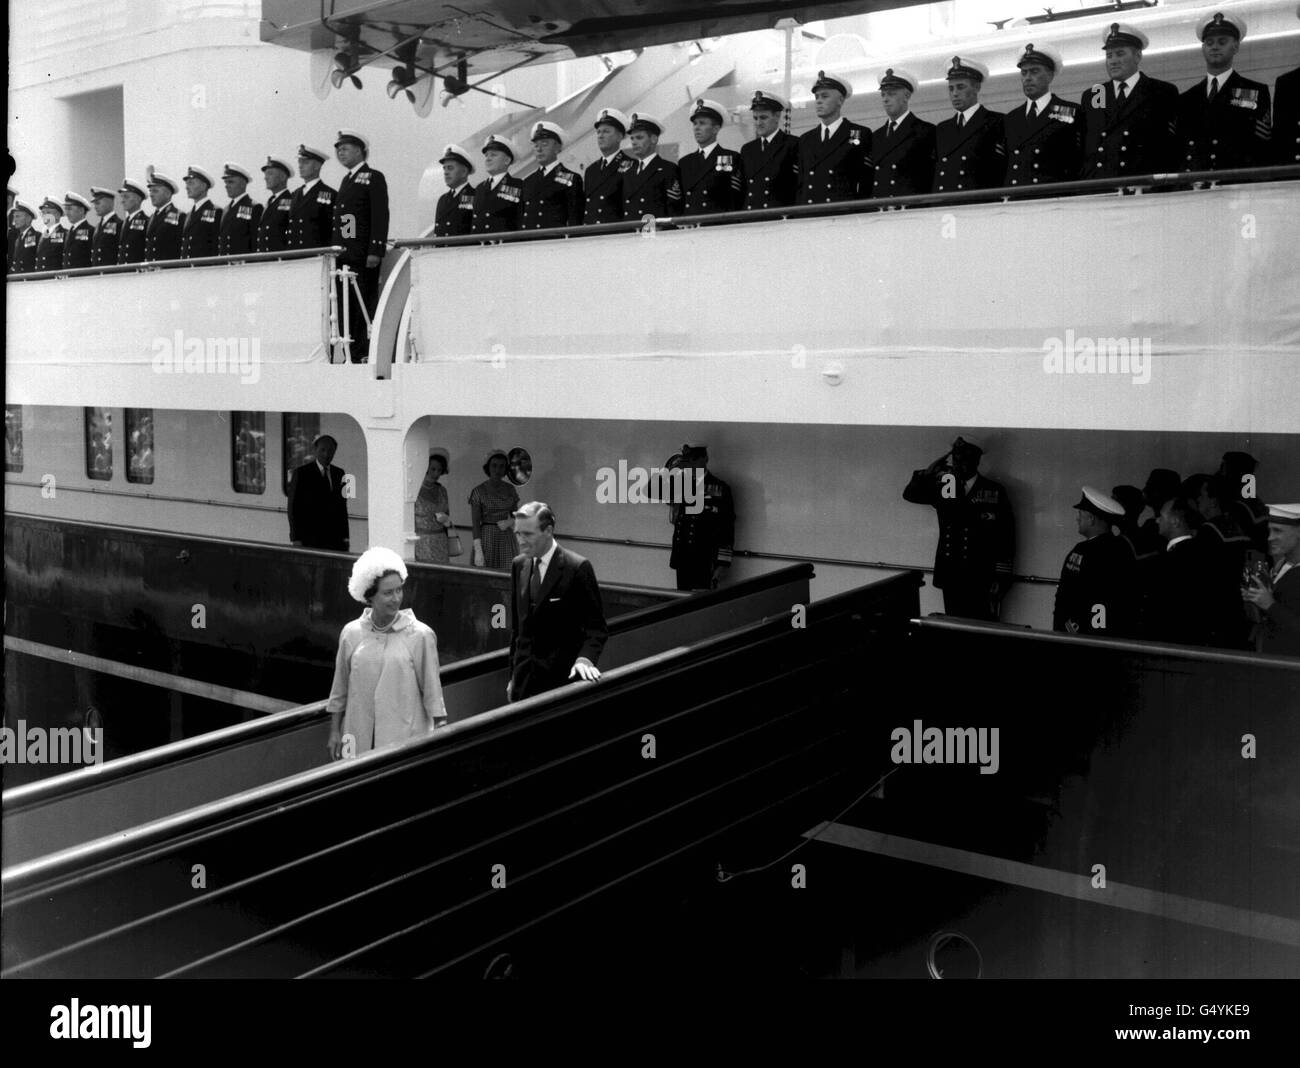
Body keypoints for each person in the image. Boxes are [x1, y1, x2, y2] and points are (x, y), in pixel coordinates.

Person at [327, 547, 446, 759]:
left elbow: (433, 693)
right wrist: (335, 731)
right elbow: (340, 688)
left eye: (399, 590)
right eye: (388, 593)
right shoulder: (351, 633)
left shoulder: (420, 635)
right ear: (370, 596)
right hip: (355, 737)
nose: (396, 598)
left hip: (404, 739)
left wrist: (439, 734)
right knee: (352, 787)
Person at [903, 436, 1015, 620]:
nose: (957, 464)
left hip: (981, 574)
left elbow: (1006, 536)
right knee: (954, 627)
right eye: (955, 459)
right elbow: (910, 494)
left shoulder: (993, 490)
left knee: (981, 628)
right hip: (952, 573)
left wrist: (1001, 577)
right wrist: (928, 473)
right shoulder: (948, 486)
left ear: (976, 460)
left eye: (963, 458)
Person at [507, 502, 608, 702]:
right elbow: (518, 630)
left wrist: (585, 660)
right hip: (522, 686)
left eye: (527, 534)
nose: (521, 541)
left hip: (560, 685)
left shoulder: (577, 568)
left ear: (548, 531)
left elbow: (596, 629)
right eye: (518, 534)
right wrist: (513, 678)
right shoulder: (518, 565)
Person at [1079, 23, 1179, 181]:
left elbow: (1171, 146)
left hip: (1143, 187)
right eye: (1109, 55)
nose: (1113, 61)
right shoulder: (1094, 94)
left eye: (1120, 54)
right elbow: (1087, 146)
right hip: (1100, 186)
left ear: (1138, 56)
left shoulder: (1161, 91)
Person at [1176, 13, 1271, 174]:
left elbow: (1262, 147)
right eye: (1209, 42)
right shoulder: (1186, 99)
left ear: (1235, 47)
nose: (1214, 47)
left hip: (1238, 187)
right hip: (1196, 189)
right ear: (1203, 49)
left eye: (1222, 42)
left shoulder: (1255, 92)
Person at [1148, 495, 1239, 647]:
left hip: (1173, 644)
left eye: (1161, 516)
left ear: (1175, 521)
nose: (1157, 520)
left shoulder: (1167, 561)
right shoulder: (1206, 553)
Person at [332, 130, 390, 361]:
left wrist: (375, 250)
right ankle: (349, 352)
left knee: (362, 304)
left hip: (363, 255)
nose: (340, 153)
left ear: (359, 150)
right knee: (346, 306)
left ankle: (363, 352)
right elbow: (348, 220)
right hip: (347, 255)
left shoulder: (373, 177)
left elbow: (379, 214)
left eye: (345, 148)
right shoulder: (347, 180)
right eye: (338, 149)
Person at [1053, 487, 1134, 637]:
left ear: (1091, 519)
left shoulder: (1110, 551)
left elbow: (1103, 600)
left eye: (1080, 514)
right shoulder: (1092, 548)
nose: (1077, 518)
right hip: (1073, 633)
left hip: (1087, 637)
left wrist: (1094, 636)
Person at [1004, 43, 1080, 187]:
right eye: (1024, 72)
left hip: (1052, 197)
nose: (1027, 78)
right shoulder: (1011, 118)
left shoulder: (1069, 111)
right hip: (1016, 198)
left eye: (1034, 71)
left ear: (1050, 76)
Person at [797, 71, 872, 204]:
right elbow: (801, 185)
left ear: (840, 100)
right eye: (817, 97)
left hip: (842, 214)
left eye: (825, 96)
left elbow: (866, 180)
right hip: (809, 214)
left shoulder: (858, 133)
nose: (819, 101)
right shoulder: (805, 139)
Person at [933, 57, 1005, 193]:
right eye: (951, 88)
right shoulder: (942, 129)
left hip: (979, 204)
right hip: (945, 205)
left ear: (976, 87)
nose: (954, 94)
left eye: (960, 87)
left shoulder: (997, 122)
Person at [668, 444, 735, 591]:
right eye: (687, 461)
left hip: (705, 559)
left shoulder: (720, 488)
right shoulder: (681, 485)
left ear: (705, 459)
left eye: (693, 460)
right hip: (683, 558)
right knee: (682, 603)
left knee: (701, 605)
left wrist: (722, 564)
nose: (690, 465)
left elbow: (727, 528)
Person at [1243, 503, 1300, 655]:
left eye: (1277, 531)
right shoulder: (1282, 566)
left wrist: (1270, 605)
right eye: (1269, 531)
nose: (1270, 538)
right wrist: (1255, 599)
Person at [870, 68, 936, 197]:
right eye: (883, 94)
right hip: (879, 210)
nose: (885, 99)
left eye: (891, 94)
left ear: (906, 96)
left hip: (910, 210)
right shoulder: (876, 136)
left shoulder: (925, 131)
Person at [679, 98, 744, 215]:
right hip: (691, 227)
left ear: (716, 128)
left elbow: (736, 198)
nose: (696, 128)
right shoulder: (685, 162)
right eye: (695, 124)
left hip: (718, 226)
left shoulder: (730, 157)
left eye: (702, 123)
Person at [287, 433, 350, 551]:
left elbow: (342, 508)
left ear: (335, 452)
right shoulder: (301, 473)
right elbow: (293, 508)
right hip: (309, 539)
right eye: (323, 450)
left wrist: (346, 537)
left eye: (330, 451)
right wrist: (295, 538)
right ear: (315, 450)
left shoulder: (340, 474)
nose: (326, 454)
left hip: (335, 540)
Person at [741, 90, 799, 210]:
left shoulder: (793, 144)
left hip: (779, 217)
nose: (758, 123)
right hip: (751, 217)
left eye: (763, 117)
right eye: (755, 118)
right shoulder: (747, 150)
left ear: (777, 116)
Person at [520, 121, 584, 229]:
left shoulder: (572, 179)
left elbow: (575, 219)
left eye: (545, 144)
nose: (539, 149)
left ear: (558, 147)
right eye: (536, 145)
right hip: (529, 242)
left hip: (555, 242)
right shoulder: (527, 182)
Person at [621, 113, 682, 218]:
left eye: (639, 138)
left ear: (654, 139)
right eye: (632, 138)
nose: (634, 142)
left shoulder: (667, 169)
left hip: (654, 231)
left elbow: (674, 208)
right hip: (630, 231)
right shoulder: (628, 170)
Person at [469, 449, 520, 569]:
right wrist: (478, 549)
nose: (498, 470)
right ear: (488, 467)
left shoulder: (510, 489)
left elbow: (516, 515)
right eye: (494, 465)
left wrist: (510, 522)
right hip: (487, 537)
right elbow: (475, 523)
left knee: (507, 574)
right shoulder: (478, 491)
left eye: (502, 466)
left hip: (506, 537)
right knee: (486, 574)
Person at [583, 108, 634, 224]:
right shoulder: (591, 170)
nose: (600, 136)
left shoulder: (631, 166)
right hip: (590, 235)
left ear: (620, 136)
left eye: (606, 131)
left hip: (616, 235)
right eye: (599, 132)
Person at [470, 134, 524, 234]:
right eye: (486, 155)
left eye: (493, 155)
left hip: (506, 247)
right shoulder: (479, 188)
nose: (488, 158)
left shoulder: (519, 186)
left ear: (507, 160)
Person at [289, 144, 335, 248]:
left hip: (317, 256)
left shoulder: (331, 195)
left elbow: (342, 226)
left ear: (317, 166)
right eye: (299, 162)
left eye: (305, 162)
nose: (300, 166)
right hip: (293, 256)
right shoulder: (294, 194)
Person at [414, 449, 453, 564]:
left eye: (439, 470)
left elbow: (448, 516)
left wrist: (446, 520)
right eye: (433, 469)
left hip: (441, 540)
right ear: (425, 468)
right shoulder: (414, 490)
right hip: (421, 542)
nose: (436, 474)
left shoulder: (442, 490)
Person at [217, 162, 261, 255]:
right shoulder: (225, 210)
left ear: (242, 184)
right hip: (225, 265)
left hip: (244, 266)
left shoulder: (254, 207)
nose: (226, 185)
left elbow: (256, 242)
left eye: (231, 182)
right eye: (226, 182)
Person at [434, 144, 477, 237]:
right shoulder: (442, 200)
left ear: (464, 172)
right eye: (444, 168)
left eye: (450, 168)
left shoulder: (477, 196)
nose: (445, 172)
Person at [180, 165, 221, 259]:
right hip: (188, 268)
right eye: (186, 184)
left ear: (203, 186)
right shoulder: (188, 215)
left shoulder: (216, 212)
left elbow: (216, 246)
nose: (187, 187)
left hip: (205, 269)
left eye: (191, 183)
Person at [143, 172, 185, 261]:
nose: (151, 194)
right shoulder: (151, 217)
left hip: (168, 270)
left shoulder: (178, 215)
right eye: (150, 191)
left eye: (155, 191)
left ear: (168, 194)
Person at [257, 156, 294, 252]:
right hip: (266, 257)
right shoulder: (270, 202)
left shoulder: (291, 201)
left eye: (270, 174)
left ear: (283, 177)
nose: (265, 178)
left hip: (281, 258)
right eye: (265, 174)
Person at [117, 179, 150, 264]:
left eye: (126, 197)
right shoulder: (125, 222)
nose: (122, 200)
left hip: (137, 269)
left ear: (138, 199)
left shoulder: (145, 221)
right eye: (122, 197)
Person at [89, 186, 121, 267]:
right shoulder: (98, 226)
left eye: (98, 203)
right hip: (98, 271)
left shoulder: (118, 224)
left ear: (109, 203)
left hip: (111, 272)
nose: (95, 207)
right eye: (94, 203)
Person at [62, 192, 94, 269]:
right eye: (66, 209)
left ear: (81, 210)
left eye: (69, 209)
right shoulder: (70, 232)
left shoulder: (90, 231)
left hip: (82, 277)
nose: (67, 213)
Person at [34, 197, 68, 271]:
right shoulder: (43, 234)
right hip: (41, 277)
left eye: (48, 212)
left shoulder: (65, 234)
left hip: (55, 277)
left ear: (57, 215)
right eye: (43, 213)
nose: (44, 215)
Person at [9, 200, 39, 272]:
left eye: (18, 216)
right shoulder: (18, 239)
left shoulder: (37, 237)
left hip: (29, 279)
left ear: (28, 219)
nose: (14, 220)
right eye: (14, 217)